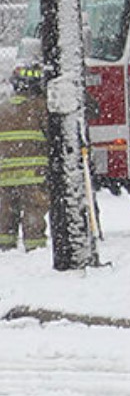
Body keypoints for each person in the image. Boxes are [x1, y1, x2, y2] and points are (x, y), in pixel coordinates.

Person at [0, 63, 49, 254]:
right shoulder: (39, 107)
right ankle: (34, 248)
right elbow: (52, 136)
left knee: (4, 213)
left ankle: (5, 246)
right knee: (34, 212)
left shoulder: (3, 109)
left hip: (4, 175)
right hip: (33, 175)